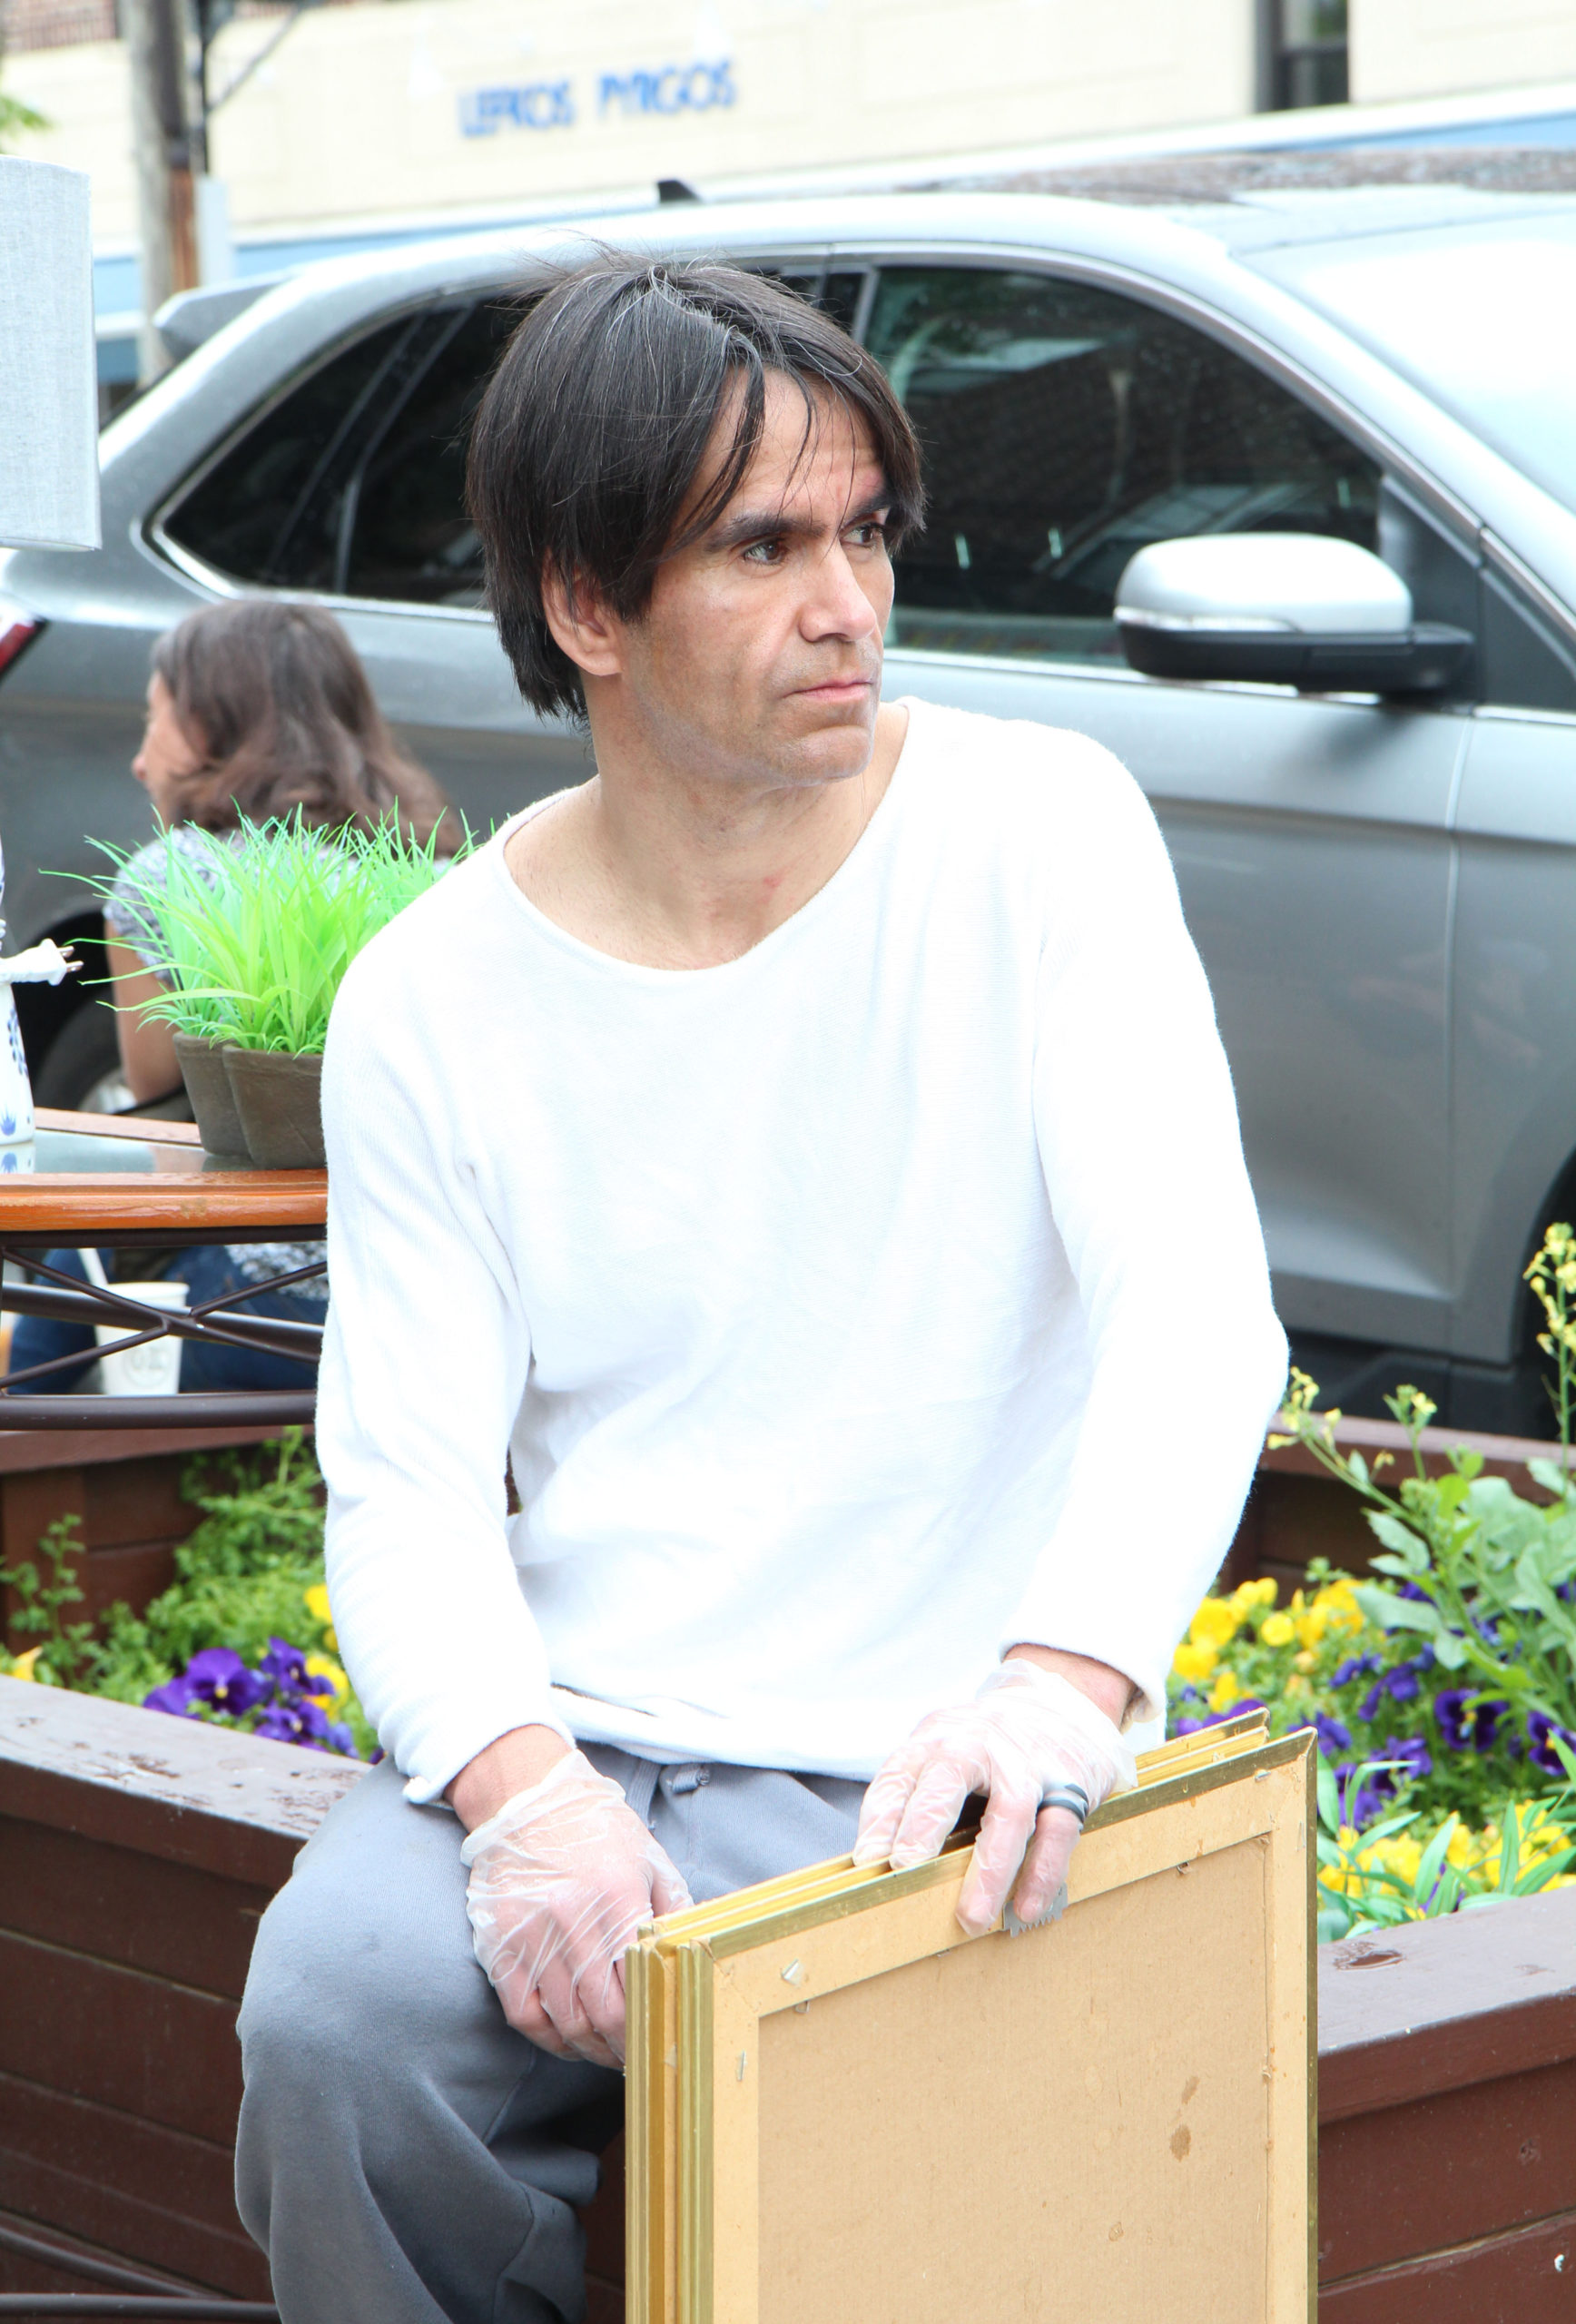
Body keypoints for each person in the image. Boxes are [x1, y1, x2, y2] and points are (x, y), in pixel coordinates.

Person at [235, 259, 1287, 2324]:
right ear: (585, 604)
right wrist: (522, 1796)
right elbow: (408, 1481)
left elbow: (1196, 1311)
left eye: (867, 531)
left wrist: (1061, 1684)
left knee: (878, 2181)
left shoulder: (1036, 834)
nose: (849, 604)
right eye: (764, 546)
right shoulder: (434, 995)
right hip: (585, 1730)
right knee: (338, 2024)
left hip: (938, 1746)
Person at [5, 598, 452, 1397]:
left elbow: (159, 1099)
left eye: (154, 721)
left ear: (210, 727)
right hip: (415, 1297)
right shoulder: (432, 874)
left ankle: (35, 1454)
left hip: (253, 1298)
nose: (139, 761)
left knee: (67, 1270)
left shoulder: (169, 874)